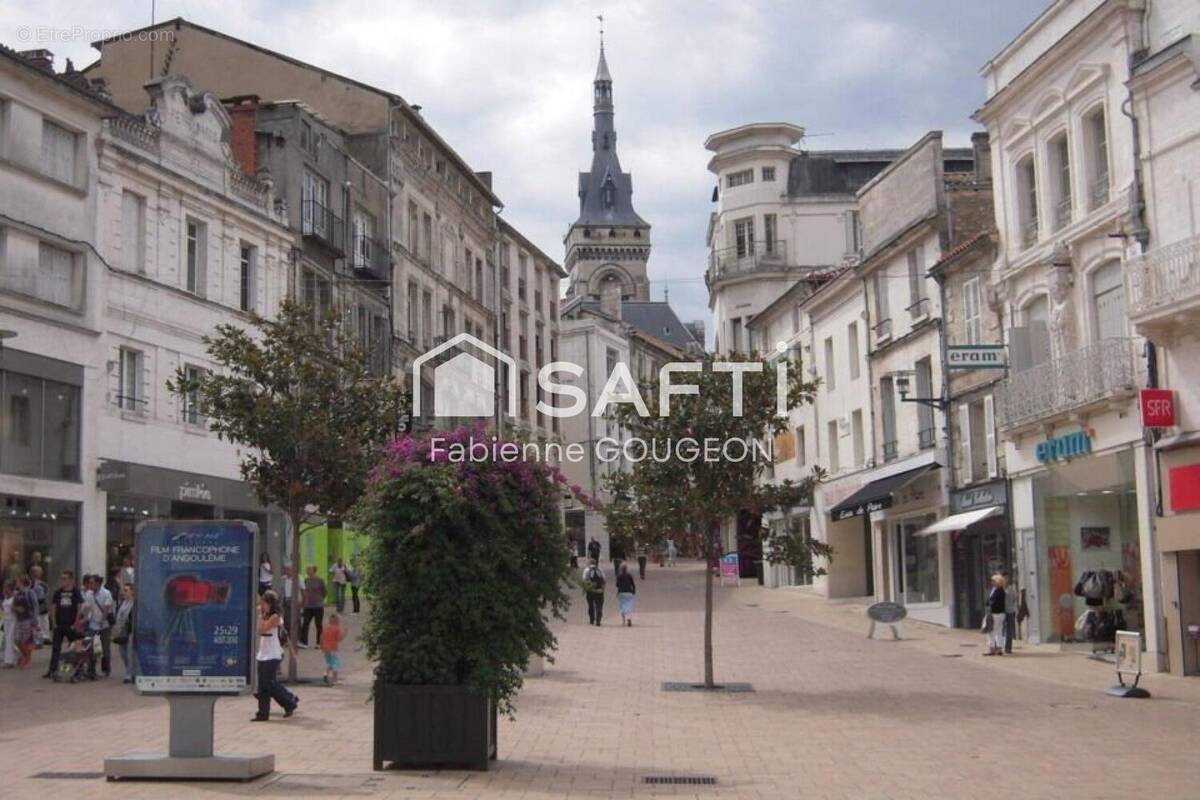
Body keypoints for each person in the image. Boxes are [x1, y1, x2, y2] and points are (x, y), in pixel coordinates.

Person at [252, 590, 298, 721]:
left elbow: (261, 630)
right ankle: (262, 713)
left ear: (270, 604)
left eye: (265, 603)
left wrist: (261, 615)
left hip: (272, 654)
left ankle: (289, 701)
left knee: (269, 683)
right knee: (262, 686)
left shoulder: (275, 617)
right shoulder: (266, 615)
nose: (262, 606)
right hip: (263, 653)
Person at [44, 570, 83, 679]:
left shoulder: (75, 592)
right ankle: (52, 670)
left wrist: (76, 622)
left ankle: (77, 669)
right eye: (61, 578)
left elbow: (79, 608)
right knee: (56, 648)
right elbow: (53, 607)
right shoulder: (58, 593)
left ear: (71, 580)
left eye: (65, 578)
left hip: (71, 624)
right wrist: (54, 622)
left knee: (74, 647)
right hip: (60, 624)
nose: (62, 581)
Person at [82, 574, 115, 677]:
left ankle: (106, 669)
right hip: (92, 624)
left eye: (92, 583)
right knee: (89, 646)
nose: (90, 585)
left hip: (104, 625)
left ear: (98, 583)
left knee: (105, 648)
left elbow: (106, 608)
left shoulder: (106, 593)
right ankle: (91, 669)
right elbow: (87, 607)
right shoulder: (89, 594)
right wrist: (84, 618)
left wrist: (102, 620)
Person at [112, 583, 137, 683]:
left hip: (131, 631)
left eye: (126, 590)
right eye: (123, 590)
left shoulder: (135, 604)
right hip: (122, 631)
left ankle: (129, 674)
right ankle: (129, 670)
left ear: (132, 592)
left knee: (129, 652)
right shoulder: (123, 603)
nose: (124, 593)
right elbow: (119, 617)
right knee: (122, 653)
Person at [12, 575, 38, 668]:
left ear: (22, 582)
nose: (17, 584)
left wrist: (35, 620)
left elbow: (35, 606)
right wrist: (16, 608)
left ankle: (28, 659)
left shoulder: (29, 593)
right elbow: (13, 606)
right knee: (17, 640)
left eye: (18, 582)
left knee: (26, 640)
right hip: (19, 619)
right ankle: (24, 655)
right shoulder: (17, 594)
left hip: (28, 619)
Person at [299, 565, 326, 648]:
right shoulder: (306, 580)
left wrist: (320, 598)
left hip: (318, 606)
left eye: (309, 569)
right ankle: (304, 642)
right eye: (307, 569)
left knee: (318, 624)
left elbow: (324, 591)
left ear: (314, 570)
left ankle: (319, 643)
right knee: (305, 623)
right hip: (308, 606)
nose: (308, 571)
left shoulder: (320, 580)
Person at [984, 573, 1007, 656]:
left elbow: (993, 602)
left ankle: (992, 648)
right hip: (1000, 613)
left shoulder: (998, 591)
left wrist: (989, 604)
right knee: (999, 631)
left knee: (991, 631)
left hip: (995, 613)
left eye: (993, 580)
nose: (991, 582)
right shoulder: (999, 590)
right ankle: (999, 648)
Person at [321, 612, 344, 685]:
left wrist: (322, 647)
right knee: (335, 664)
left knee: (330, 663)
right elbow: (338, 639)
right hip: (333, 648)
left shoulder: (327, 628)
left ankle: (326, 673)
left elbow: (321, 637)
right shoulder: (337, 629)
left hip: (326, 648)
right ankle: (334, 679)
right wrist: (344, 634)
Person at [581, 559, 606, 626]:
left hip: (590, 591)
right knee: (599, 605)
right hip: (599, 590)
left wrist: (585, 589)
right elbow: (604, 579)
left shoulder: (586, 570)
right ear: (595, 563)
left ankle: (591, 619)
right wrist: (603, 589)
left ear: (589, 563)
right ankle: (598, 618)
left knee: (590, 605)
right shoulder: (599, 570)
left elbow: (584, 580)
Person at [29, 565, 48, 647]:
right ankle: (37, 641)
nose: (38, 574)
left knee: (44, 623)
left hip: (42, 607)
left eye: (39, 572)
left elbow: (46, 595)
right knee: (36, 624)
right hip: (33, 608)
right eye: (36, 572)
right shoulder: (29, 583)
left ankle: (45, 638)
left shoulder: (43, 584)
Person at [1001, 569, 1018, 654]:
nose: (1006, 579)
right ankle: (1000, 646)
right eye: (1004, 577)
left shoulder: (1011, 588)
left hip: (1010, 611)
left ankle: (1008, 648)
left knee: (1009, 630)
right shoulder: (999, 589)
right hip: (1001, 612)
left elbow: (1015, 598)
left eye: (1007, 577)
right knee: (1001, 630)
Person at [2, 581, 15, 668]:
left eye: (6, 588)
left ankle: (9, 661)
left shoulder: (14, 598)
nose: (4, 590)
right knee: (6, 640)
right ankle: (16, 657)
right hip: (6, 620)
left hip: (13, 620)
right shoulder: (5, 598)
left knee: (10, 640)